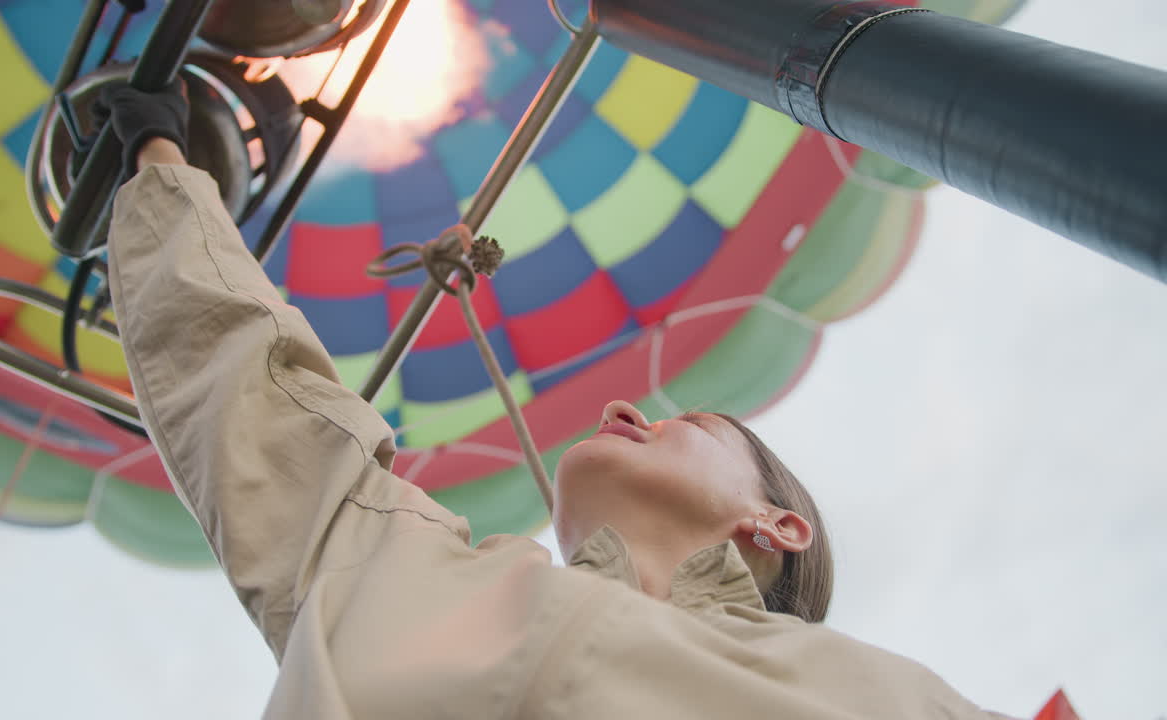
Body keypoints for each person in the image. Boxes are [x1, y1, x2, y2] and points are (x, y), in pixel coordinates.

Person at [99, 82, 1013, 719]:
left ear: (779, 526)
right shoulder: (401, 579)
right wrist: (160, 164)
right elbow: (253, 394)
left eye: (688, 421)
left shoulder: (878, 697)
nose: (623, 412)